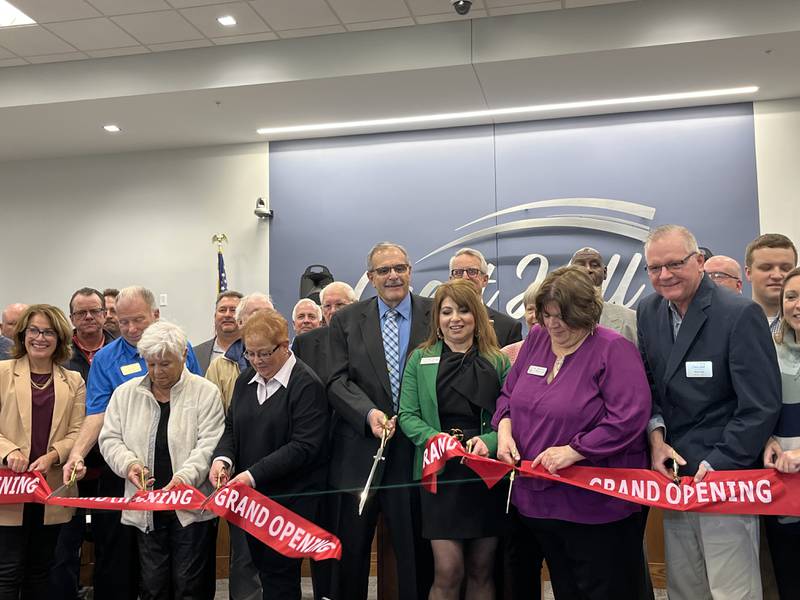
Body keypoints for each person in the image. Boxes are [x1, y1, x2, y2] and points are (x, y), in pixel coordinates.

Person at [638, 225, 781, 600]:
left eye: (674, 263)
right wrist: (656, 440)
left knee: (732, 588)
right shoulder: (649, 311)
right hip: (674, 474)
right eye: (655, 268)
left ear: (698, 261)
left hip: (723, 476)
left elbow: (760, 405)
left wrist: (719, 464)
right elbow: (648, 386)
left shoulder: (738, 313)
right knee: (686, 588)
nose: (664, 275)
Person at [495, 266, 651, 599]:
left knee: (603, 589)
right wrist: (504, 430)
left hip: (595, 505)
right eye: (546, 315)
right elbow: (509, 395)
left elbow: (628, 418)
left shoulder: (613, 348)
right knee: (565, 587)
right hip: (537, 500)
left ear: (586, 314)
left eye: (562, 317)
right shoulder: (537, 338)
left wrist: (573, 450)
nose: (553, 325)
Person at [62, 285, 202, 600]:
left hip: (175, 473)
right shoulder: (106, 358)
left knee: (177, 563)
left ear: (155, 315)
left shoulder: (182, 348)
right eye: (123, 321)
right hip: (122, 473)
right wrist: (77, 454)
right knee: (116, 559)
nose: (130, 328)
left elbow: (198, 400)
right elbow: (97, 415)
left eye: (138, 320)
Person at [327, 242, 432, 600]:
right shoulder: (345, 320)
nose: (393, 276)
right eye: (384, 270)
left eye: (400, 268)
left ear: (410, 272)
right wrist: (368, 414)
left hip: (414, 455)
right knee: (351, 554)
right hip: (360, 455)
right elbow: (336, 381)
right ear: (371, 278)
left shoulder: (435, 314)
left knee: (416, 556)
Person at [398, 279, 510, 599]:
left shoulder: (498, 360)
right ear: (437, 319)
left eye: (463, 310)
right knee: (448, 570)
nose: (454, 318)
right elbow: (407, 414)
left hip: (485, 473)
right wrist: (436, 439)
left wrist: (489, 441)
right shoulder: (420, 360)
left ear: (476, 316)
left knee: (481, 569)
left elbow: (509, 414)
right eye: (446, 312)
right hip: (440, 474)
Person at [99, 321, 224, 600]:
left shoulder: (206, 392)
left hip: (191, 508)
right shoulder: (125, 394)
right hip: (146, 508)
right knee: (152, 587)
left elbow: (209, 445)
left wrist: (182, 479)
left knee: (189, 586)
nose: (157, 372)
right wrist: (129, 465)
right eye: (151, 364)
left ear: (182, 356)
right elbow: (109, 439)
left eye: (165, 364)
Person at [209, 309, 329, 600]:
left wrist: (250, 475)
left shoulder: (306, 384)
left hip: (290, 502)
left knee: (280, 579)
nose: (258, 361)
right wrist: (222, 459)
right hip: (253, 501)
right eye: (250, 353)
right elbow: (231, 427)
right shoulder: (245, 379)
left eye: (264, 353)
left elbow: (304, 446)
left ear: (285, 344)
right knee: (262, 571)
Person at [0, 304, 85, 599]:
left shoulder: (73, 381)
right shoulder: (2, 373)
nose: (40, 337)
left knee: (42, 569)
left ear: (60, 338)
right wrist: (9, 451)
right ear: (22, 335)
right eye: (34, 330)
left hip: (50, 487)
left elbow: (77, 431)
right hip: (8, 488)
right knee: (7, 571)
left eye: (48, 332)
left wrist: (52, 456)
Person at [205, 292, 274, 600]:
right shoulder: (231, 371)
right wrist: (223, 458)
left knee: (279, 565)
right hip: (242, 481)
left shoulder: (297, 371)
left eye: (268, 316)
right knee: (244, 559)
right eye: (254, 317)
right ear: (242, 324)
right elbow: (224, 425)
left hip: (284, 479)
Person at [290, 281, 355, 600]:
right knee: (320, 534)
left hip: (356, 450)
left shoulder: (364, 339)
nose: (331, 312)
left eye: (339, 306)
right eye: (326, 306)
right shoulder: (306, 343)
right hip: (315, 456)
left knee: (351, 538)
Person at [51, 287, 117, 600]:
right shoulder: (60, 355)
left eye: (94, 311)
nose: (88, 317)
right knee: (65, 544)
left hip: (111, 468)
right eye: (81, 313)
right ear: (72, 318)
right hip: (69, 467)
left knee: (110, 545)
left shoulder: (121, 352)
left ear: (106, 314)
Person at [762, 266, 800, 599]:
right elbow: (761, 409)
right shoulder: (769, 351)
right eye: (792, 296)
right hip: (783, 482)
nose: (798, 304)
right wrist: (768, 439)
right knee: (788, 574)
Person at [206, 292, 273, 410]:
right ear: (240, 322)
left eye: (268, 314)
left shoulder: (286, 361)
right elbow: (213, 415)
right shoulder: (219, 366)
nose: (264, 319)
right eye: (256, 313)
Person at [449, 248, 523, 346]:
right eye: (458, 272)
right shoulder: (436, 323)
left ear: (485, 280)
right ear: (451, 280)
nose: (465, 277)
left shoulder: (508, 328)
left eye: (472, 271)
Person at [570, 246, 638, 344]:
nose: (588, 269)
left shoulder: (631, 319)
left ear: (605, 272)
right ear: (569, 273)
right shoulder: (554, 318)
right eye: (580, 265)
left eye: (594, 265)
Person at [745, 233, 798, 333]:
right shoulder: (731, 322)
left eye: (785, 268)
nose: (777, 275)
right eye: (766, 268)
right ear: (748, 273)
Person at [194, 290, 243, 374]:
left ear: (243, 317)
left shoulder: (253, 353)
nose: (227, 315)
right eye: (222, 310)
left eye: (233, 310)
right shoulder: (196, 353)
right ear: (215, 316)